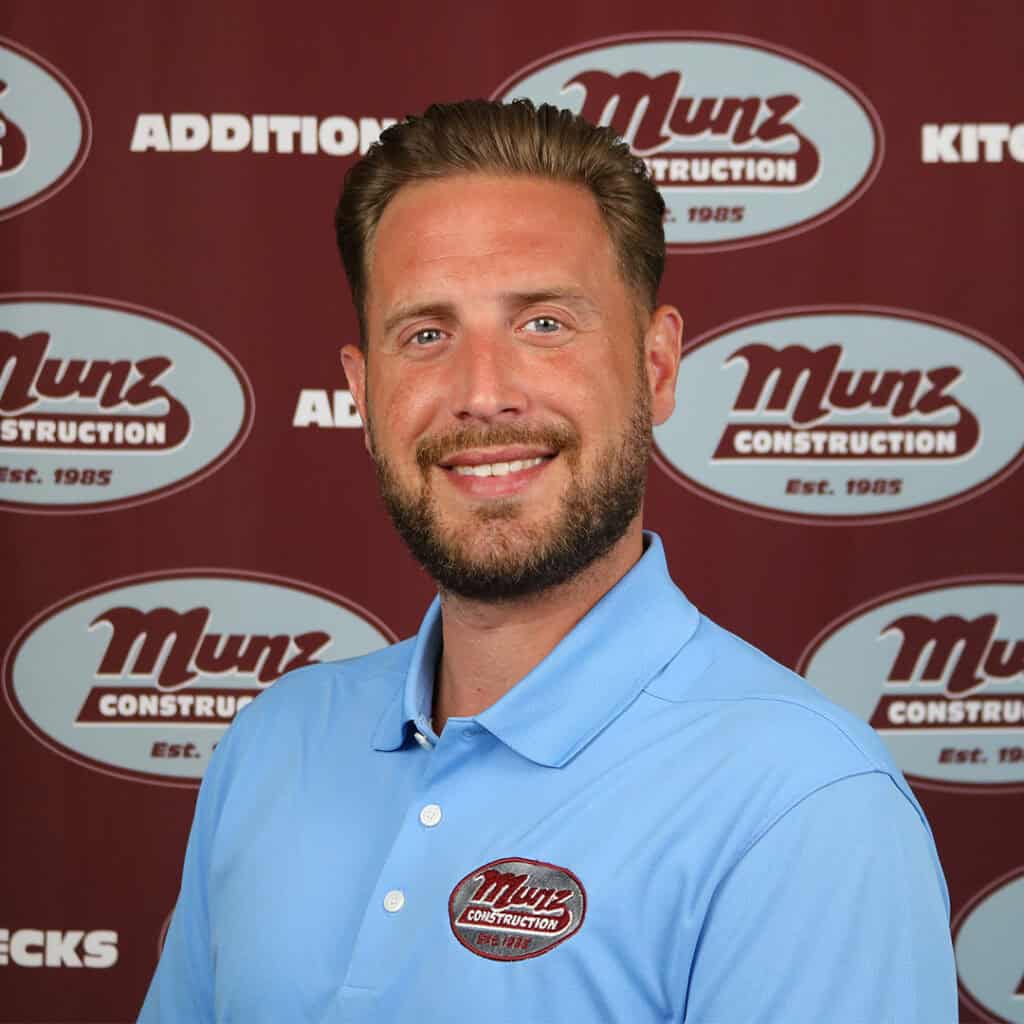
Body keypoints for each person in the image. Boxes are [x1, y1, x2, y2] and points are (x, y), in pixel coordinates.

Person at [140, 99, 957, 1022]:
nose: (483, 393)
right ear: (363, 395)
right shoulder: (271, 746)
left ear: (656, 367)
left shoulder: (804, 803)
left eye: (544, 325)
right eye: (425, 335)